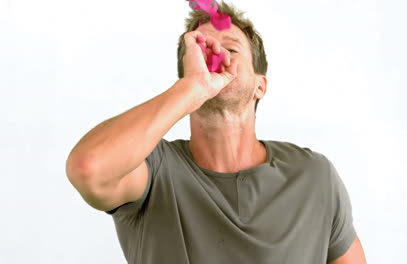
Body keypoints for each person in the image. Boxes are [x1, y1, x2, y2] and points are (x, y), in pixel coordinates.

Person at [66, 2, 367, 263]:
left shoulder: (313, 176)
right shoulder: (153, 172)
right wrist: (193, 88)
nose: (217, 54)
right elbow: (88, 167)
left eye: (232, 48)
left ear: (260, 86)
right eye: (202, 49)